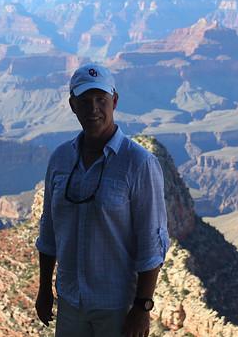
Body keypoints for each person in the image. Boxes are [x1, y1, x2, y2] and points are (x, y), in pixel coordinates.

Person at [35, 64, 170, 337]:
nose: (93, 108)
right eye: (84, 101)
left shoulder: (139, 163)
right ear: (72, 105)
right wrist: (44, 289)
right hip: (70, 301)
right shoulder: (60, 160)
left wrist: (142, 309)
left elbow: (152, 242)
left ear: (115, 101)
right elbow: (48, 231)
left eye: (101, 100)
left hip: (117, 306)